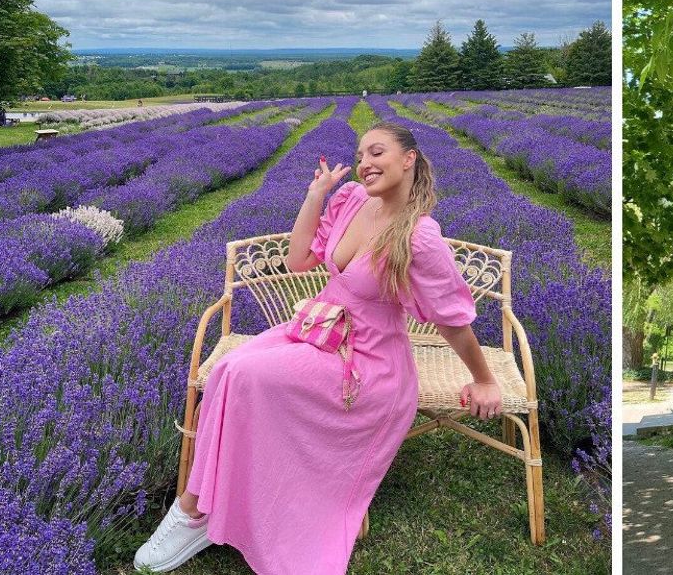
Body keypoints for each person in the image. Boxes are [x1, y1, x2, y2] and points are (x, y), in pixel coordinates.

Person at [134, 121, 503, 574]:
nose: (365, 163)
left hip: (369, 365)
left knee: (241, 375)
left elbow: (453, 320)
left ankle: (192, 512)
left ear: (409, 158)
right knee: (232, 368)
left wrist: (484, 379)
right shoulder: (351, 200)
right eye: (361, 154)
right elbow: (298, 260)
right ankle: (204, 505)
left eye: (377, 152)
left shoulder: (418, 237)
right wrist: (317, 194)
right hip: (319, 332)